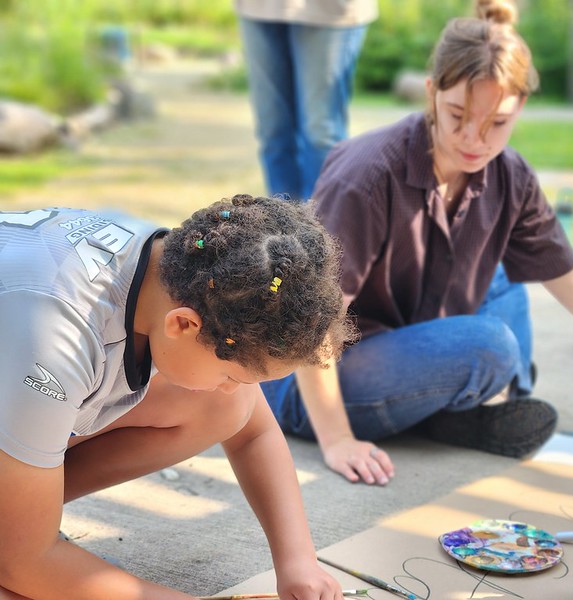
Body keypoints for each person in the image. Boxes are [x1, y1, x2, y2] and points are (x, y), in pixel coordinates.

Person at [261, 0, 573, 487]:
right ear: (432, 91)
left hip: (409, 341)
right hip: (321, 374)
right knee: (492, 345)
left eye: (496, 122)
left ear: (518, 107)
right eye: (457, 114)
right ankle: (453, 407)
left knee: (503, 277)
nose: (474, 139)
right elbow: (315, 320)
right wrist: (337, 440)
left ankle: (461, 408)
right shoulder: (367, 175)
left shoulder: (510, 175)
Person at [0, 195, 354, 600]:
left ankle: (20, 517)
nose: (236, 389)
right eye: (230, 375)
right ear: (183, 324)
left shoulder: (179, 267)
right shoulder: (54, 336)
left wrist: (299, 564)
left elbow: (252, 430)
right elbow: (21, 562)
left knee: (225, 406)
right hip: (29, 351)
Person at [235, 0, 378, 200]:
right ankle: (280, 223)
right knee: (272, 130)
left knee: (321, 133)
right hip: (257, 7)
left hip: (329, 10)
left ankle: (324, 225)